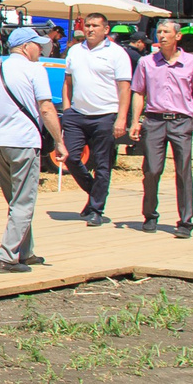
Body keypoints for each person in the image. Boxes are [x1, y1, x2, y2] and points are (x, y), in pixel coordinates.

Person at [0, 25, 63, 272]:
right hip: (23, 141)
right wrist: (59, 141)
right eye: (38, 44)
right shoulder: (34, 70)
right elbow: (46, 108)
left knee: (15, 200)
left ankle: (26, 251)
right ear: (26, 47)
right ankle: (7, 257)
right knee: (24, 202)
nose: (41, 49)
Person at [132, 20, 193, 236]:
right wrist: (134, 121)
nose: (162, 36)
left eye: (166, 32)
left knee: (183, 170)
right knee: (151, 170)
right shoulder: (146, 63)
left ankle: (185, 222)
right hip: (154, 120)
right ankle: (149, 214)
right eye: (159, 32)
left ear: (178, 36)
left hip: (181, 121)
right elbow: (138, 92)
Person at [59, 11, 133, 227]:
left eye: (95, 26)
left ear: (106, 29)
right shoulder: (75, 50)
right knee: (70, 158)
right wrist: (67, 109)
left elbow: (124, 88)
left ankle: (96, 209)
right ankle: (95, 192)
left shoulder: (117, 54)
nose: (90, 29)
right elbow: (68, 82)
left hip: (106, 115)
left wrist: (121, 118)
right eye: (87, 25)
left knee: (102, 164)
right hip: (77, 114)